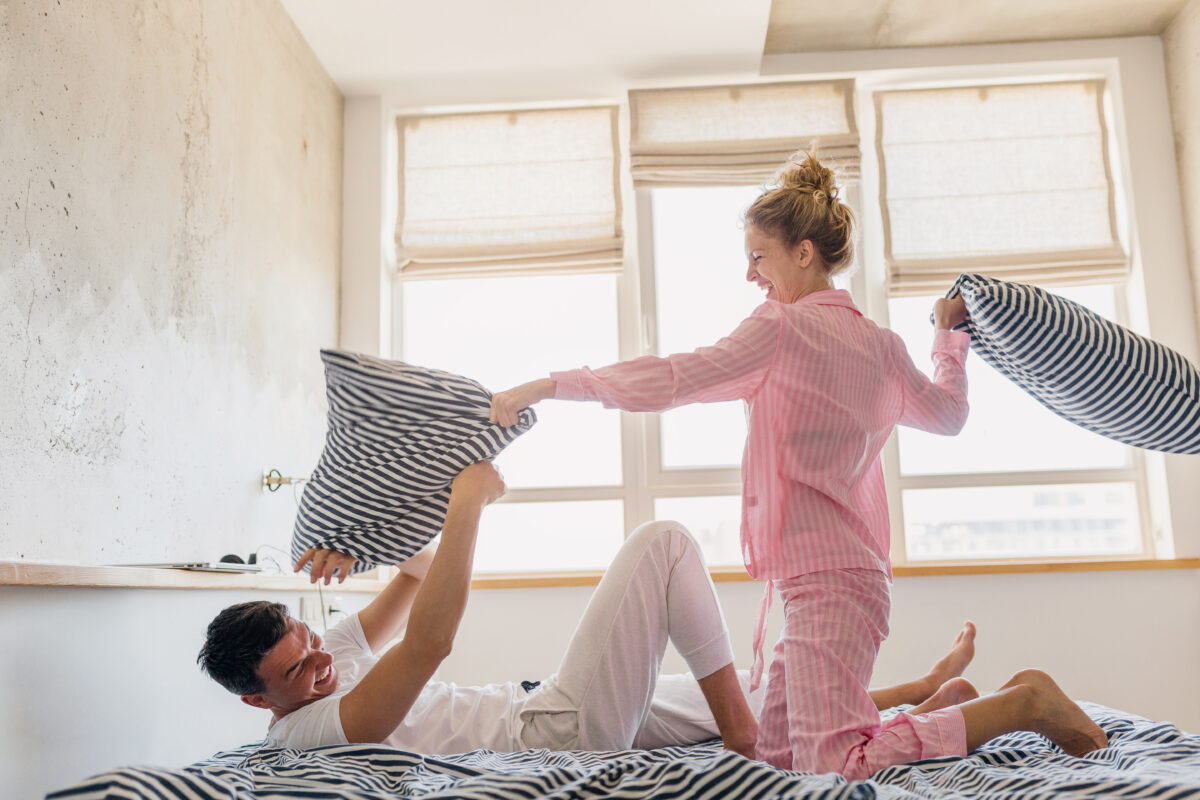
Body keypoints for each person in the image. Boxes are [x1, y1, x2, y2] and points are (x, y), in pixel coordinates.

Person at [488, 151, 1108, 776]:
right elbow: (949, 415)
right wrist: (949, 340)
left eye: (759, 256)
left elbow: (674, 377)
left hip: (832, 581)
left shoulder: (780, 329)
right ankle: (943, 709)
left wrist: (553, 384)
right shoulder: (883, 345)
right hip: (843, 578)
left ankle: (1022, 703)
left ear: (803, 253)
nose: (750, 274)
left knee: (833, 763)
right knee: (774, 759)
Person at [198, 461, 983, 759]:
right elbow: (430, 642)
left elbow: (422, 573)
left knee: (750, 690)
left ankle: (913, 696)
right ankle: (745, 745)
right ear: (259, 701)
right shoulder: (304, 732)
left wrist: (357, 543)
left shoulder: (328, 649)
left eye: (308, 638)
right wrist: (467, 502)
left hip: (549, 705)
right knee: (665, 543)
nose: (321, 662)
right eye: (297, 672)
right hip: (555, 734)